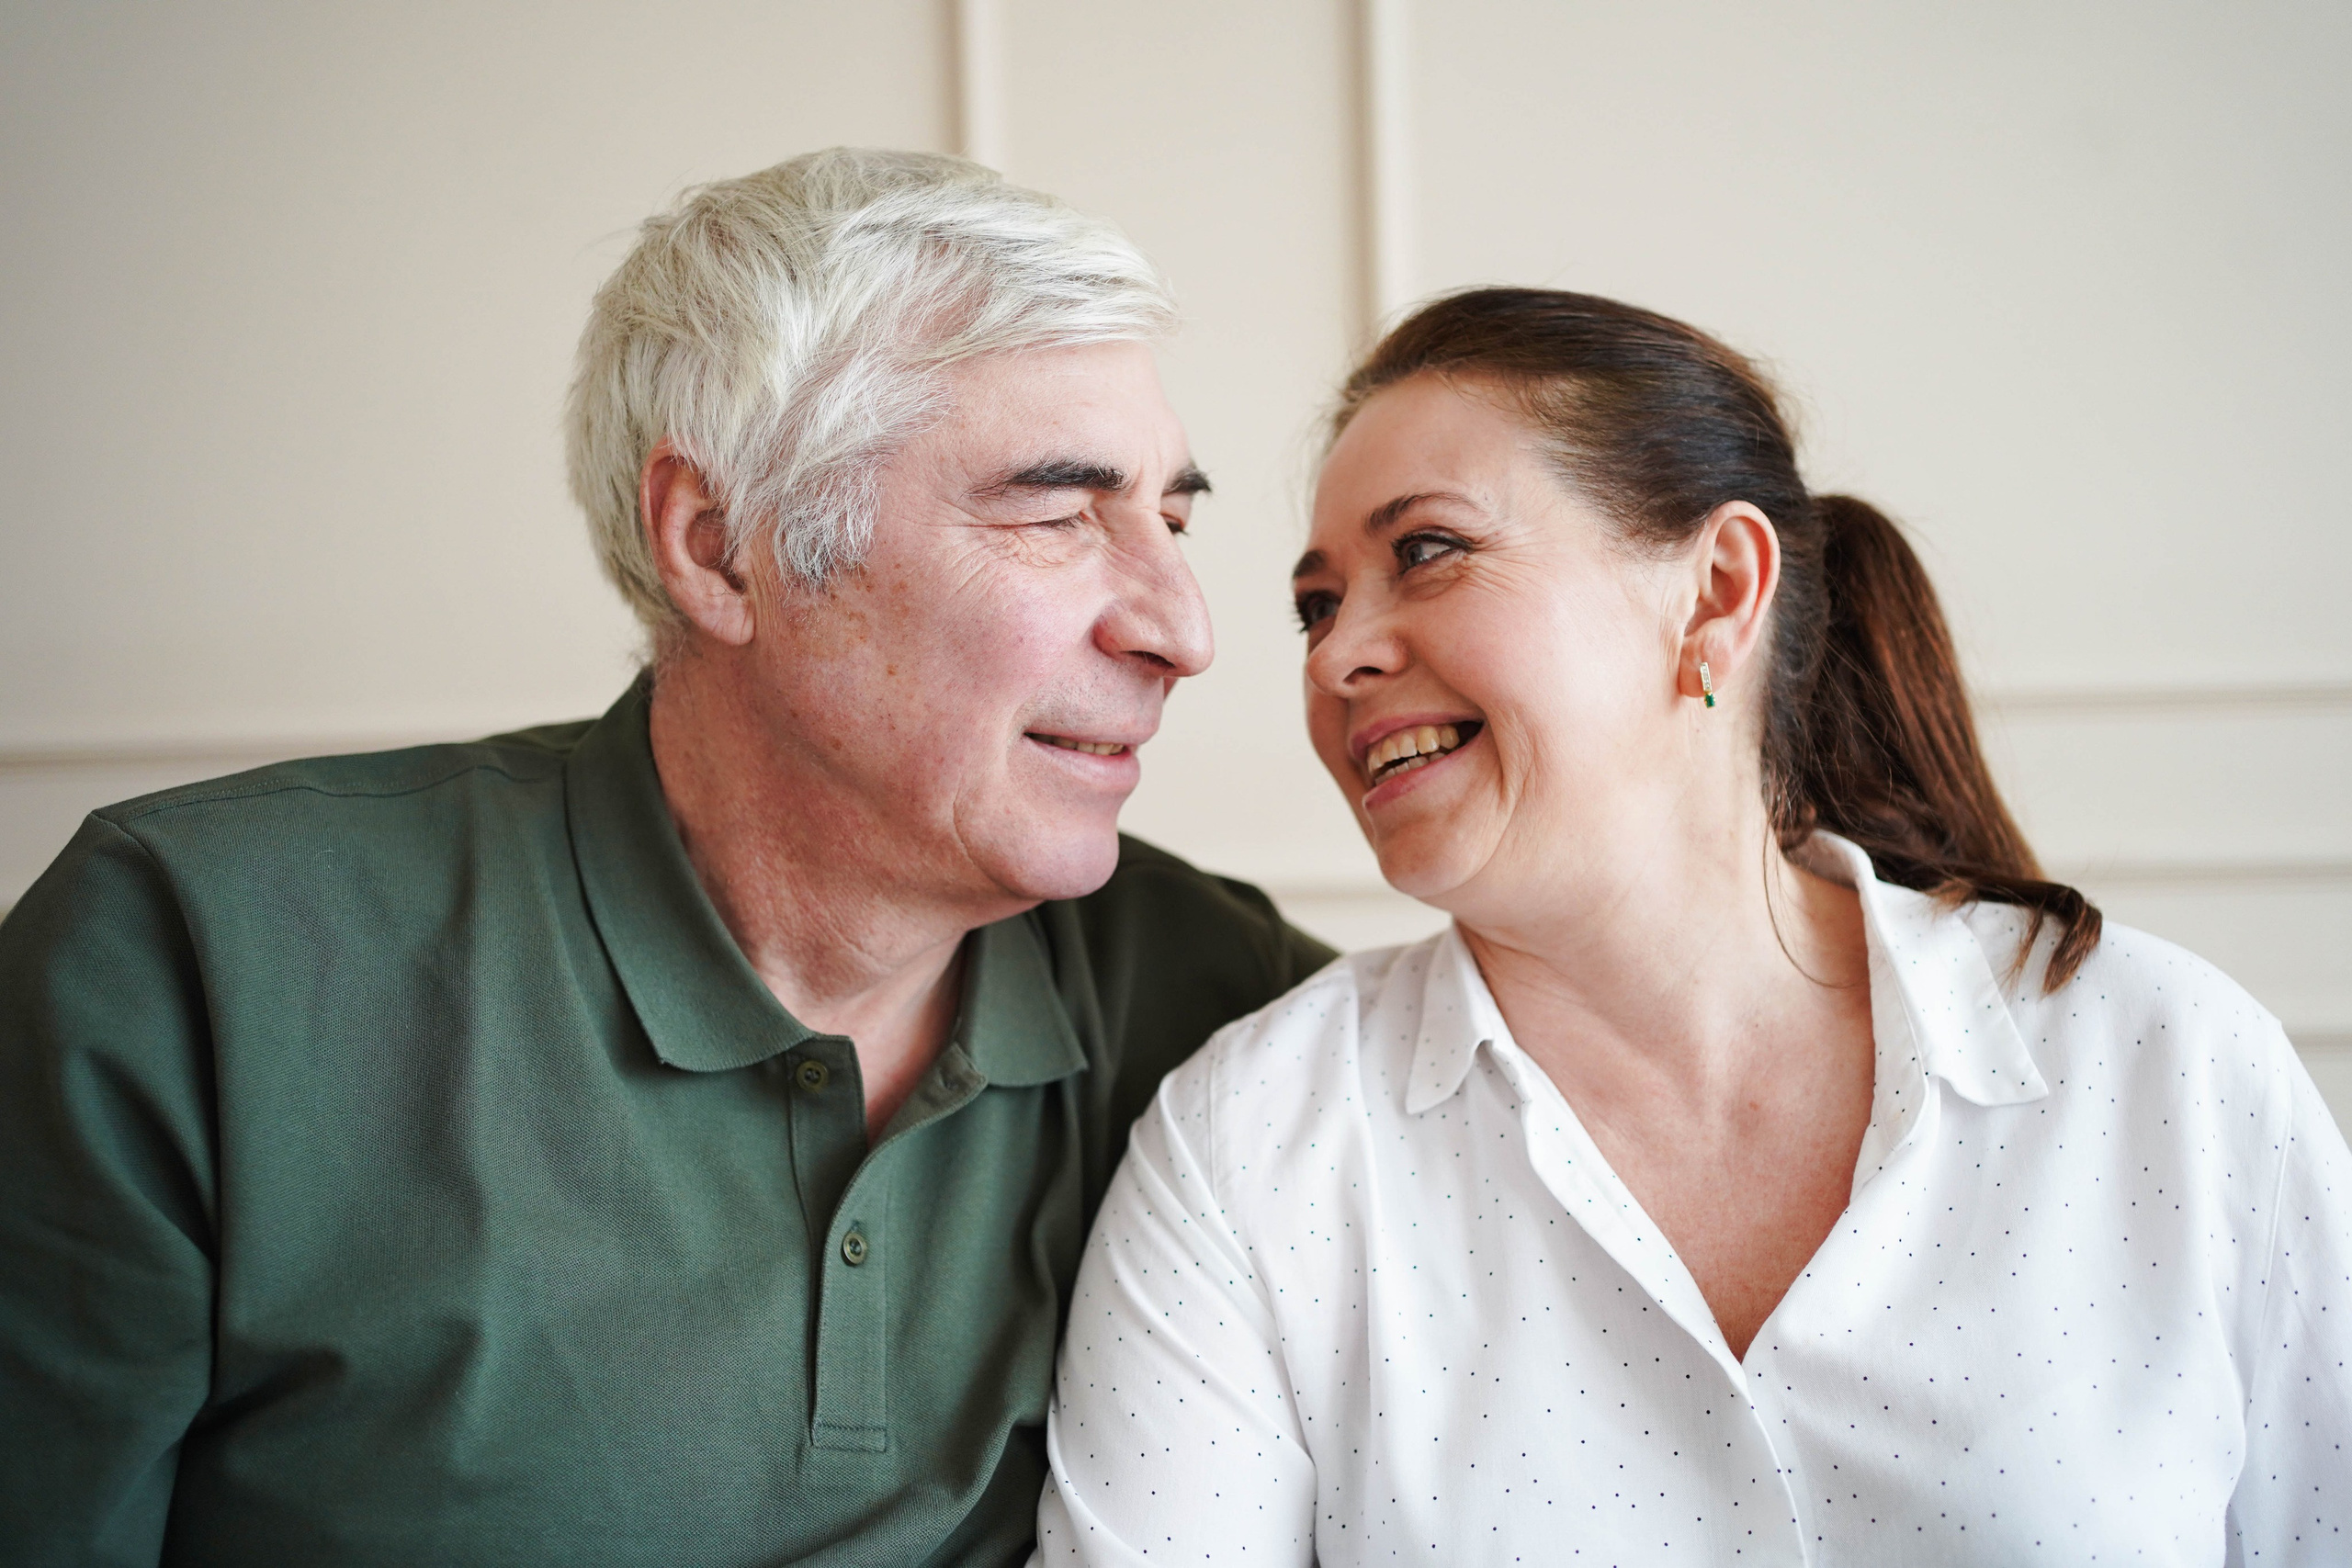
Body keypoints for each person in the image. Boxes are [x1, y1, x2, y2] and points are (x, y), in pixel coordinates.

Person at [0, 149, 1332, 1567]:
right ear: (719, 550)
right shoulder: (196, 955)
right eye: (1059, 515)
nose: (1182, 631)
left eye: (1173, 519)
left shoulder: (1225, 1004)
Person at [1035, 288, 2352, 1563]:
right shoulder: (1251, 1151)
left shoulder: (2167, 1067)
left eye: (1425, 552)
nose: (1333, 657)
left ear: (1718, 589)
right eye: (1317, 607)